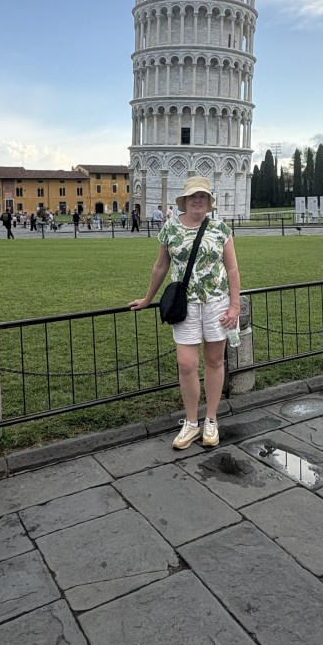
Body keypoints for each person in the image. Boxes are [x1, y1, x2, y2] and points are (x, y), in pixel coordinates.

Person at [129, 176, 241, 449]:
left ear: (209, 202)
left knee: (215, 362)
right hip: (185, 305)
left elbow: (233, 269)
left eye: (202, 196)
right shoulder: (170, 229)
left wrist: (235, 305)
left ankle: (211, 419)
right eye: (193, 196)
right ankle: (191, 422)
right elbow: (160, 267)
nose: (198, 200)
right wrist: (147, 298)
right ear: (185, 200)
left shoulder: (220, 229)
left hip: (216, 304)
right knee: (187, 364)